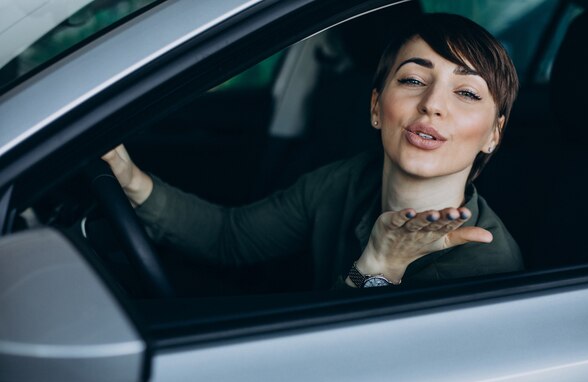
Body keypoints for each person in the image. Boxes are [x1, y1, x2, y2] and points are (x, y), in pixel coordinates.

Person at [103, 13, 524, 290]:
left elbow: (351, 381)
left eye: (467, 92)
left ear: (493, 136)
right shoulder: (346, 180)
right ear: (377, 107)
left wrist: (379, 266)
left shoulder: (484, 267)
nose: (433, 103)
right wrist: (127, 176)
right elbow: (228, 238)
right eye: (413, 80)